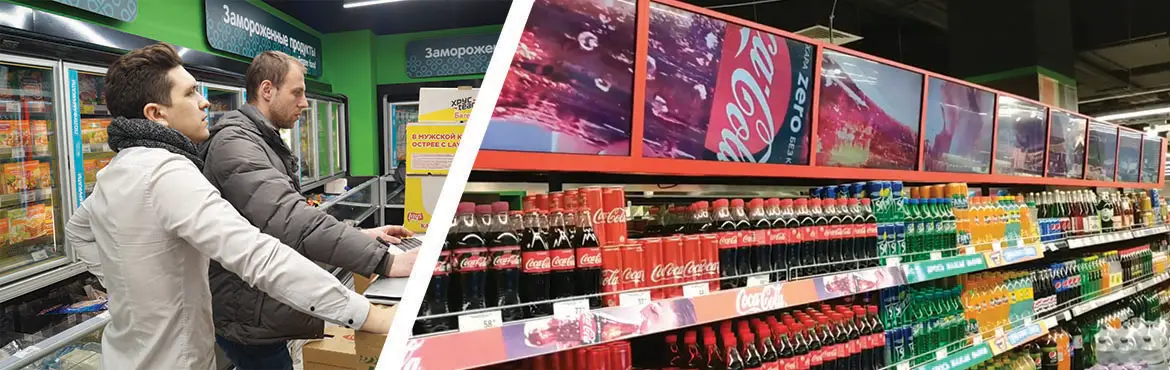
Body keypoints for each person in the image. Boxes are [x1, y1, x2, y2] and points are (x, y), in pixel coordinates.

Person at [63, 43, 392, 370]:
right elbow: (257, 255)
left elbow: (77, 230)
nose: (204, 101)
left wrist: (123, 284)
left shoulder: (117, 170)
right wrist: (367, 315)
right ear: (156, 114)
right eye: (190, 93)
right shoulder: (167, 172)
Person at [199, 50, 418, 369]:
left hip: (261, 304)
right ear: (267, 90)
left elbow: (284, 218)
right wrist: (385, 261)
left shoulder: (261, 139)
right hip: (247, 314)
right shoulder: (236, 144)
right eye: (297, 92)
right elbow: (289, 219)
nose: (304, 103)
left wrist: (363, 235)